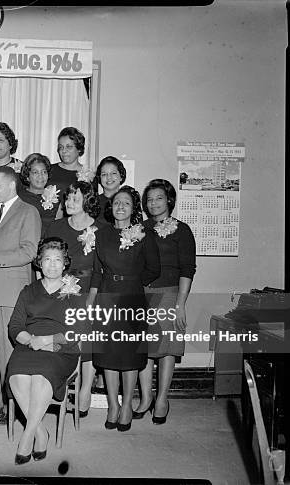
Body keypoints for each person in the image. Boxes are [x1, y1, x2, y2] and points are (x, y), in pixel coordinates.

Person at [0, 166, 42, 425]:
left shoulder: (28, 212)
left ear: (12, 186)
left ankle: (15, 407)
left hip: (12, 294)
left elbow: (29, 253)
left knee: (10, 353)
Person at [87, 185, 160, 432]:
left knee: (129, 356)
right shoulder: (101, 234)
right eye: (117, 202)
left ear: (134, 208)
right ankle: (112, 406)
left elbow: (154, 268)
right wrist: (92, 300)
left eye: (126, 203)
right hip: (106, 295)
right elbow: (97, 271)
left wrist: (133, 281)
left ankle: (127, 405)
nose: (120, 206)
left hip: (132, 297)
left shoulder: (142, 234)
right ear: (111, 206)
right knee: (107, 355)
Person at [6, 237, 84, 464]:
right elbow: (15, 327)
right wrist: (31, 341)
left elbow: (78, 330)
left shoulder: (74, 291)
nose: (52, 264)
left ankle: (26, 436)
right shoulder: (28, 291)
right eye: (47, 259)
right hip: (29, 344)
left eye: (57, 260)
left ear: (65, 263)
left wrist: (48, 340)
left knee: (41, 378)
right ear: (39, 262)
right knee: (17, 376)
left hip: (61, 348)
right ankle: (41, 432)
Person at [133, 179, 196, 424]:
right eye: (149, 199)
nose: (154, 203)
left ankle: (162, 399)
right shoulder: (140, 228)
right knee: (146, 349)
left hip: (170, 295)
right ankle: (146, 398)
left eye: (159, 198)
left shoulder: (182, 230)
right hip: (144, 294)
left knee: (167, 349)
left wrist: (180, 304)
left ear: (169, 200)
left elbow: (187, 269)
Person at [45, 181, 101, 416]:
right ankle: (58, 388)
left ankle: (85, 390)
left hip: (90, 290)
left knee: (86, 341)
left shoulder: (101, 229)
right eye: (66, 198)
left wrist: (91, 299)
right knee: (61, 339)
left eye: (74, 199)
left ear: (87, 201)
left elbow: (100, 269)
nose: (68, 203)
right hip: (60, 288)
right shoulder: (56, 226)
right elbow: (44, 260)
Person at [18, 153, 63, 236]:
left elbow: (59, 227)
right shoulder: (19, 198)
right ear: (27, 176)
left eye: (44, 172)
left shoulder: (56, 198)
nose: (40, 176)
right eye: (35, 172)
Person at [47, 127, 86, 195]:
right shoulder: (49, 170)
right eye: (61, 147)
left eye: (69, 147)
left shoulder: (88, 174)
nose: (64, 151)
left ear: (79, 148)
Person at [92, 156, 127, 224]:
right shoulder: (93, 202)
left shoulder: (129, 201)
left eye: (113, 173)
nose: (109, 177)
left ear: (121, 176)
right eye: (104, 174)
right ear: (100, 178)